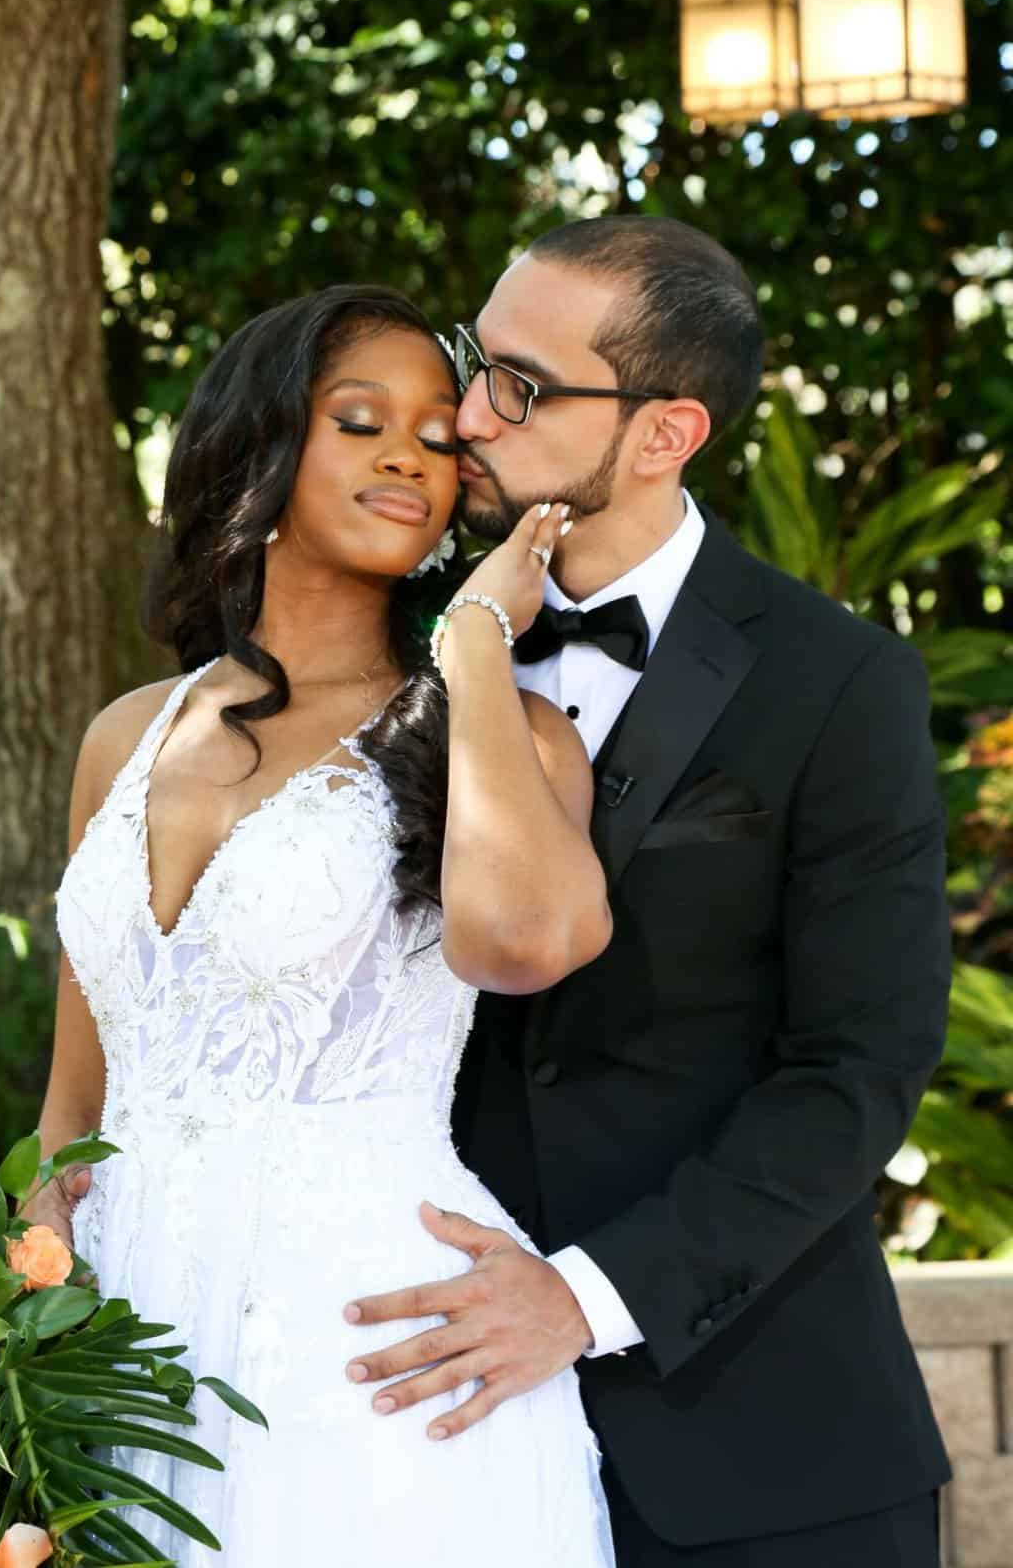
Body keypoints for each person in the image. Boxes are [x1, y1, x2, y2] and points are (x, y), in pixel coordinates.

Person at [339, 216, 953, 1566]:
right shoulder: (376, 647)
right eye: (472, 362)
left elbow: (857, 1068)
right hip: (414, 1440)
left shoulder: (840, 683)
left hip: (764, 1456)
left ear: (667, 432)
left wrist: (582, 1295)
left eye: (524, 385)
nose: (467, 417)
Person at [31, 284, 619, 1567]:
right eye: (361, 420)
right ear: (262, 444)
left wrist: (474, 636)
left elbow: (528, 942)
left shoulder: (503, 730)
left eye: (438, 436)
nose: (410, 453)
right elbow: (79, 1093)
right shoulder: (125, 734)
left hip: (371, 1348)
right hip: (111, 1352)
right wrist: (14, 1291)